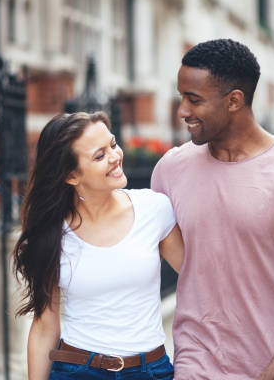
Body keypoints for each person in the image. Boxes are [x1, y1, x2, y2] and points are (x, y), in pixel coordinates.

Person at [151, 39, 274, 380]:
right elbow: (152, 256)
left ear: (234, 100)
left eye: (194, 99)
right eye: (181, 97)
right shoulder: (170, 169)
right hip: (196, 363)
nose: (182, 111)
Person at [13, 111, 183, 380]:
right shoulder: (51, 235)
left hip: (150, 371)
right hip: (77, 370)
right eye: (99, 155)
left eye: (113, 144)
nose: (115, 157)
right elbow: (45, 327)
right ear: (71, 176)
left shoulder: (155, 209)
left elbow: (198, 282)